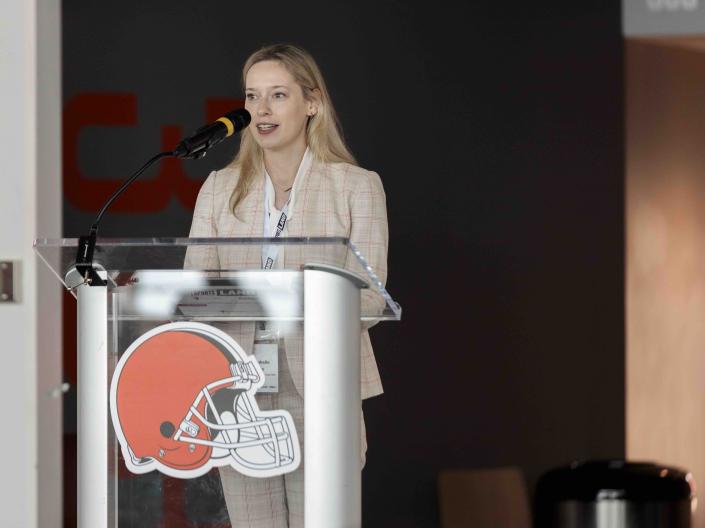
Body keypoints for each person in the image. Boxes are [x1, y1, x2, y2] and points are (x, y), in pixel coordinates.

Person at [185, 43, 388, 527]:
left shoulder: (356, 187)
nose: (262, 110)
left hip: (320, 388)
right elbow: (194, 295)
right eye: (253, 97)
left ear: (312, 102)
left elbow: (372, 299)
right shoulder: (218, 187)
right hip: (237, 394)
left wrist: (300, 296)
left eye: (278, 95)